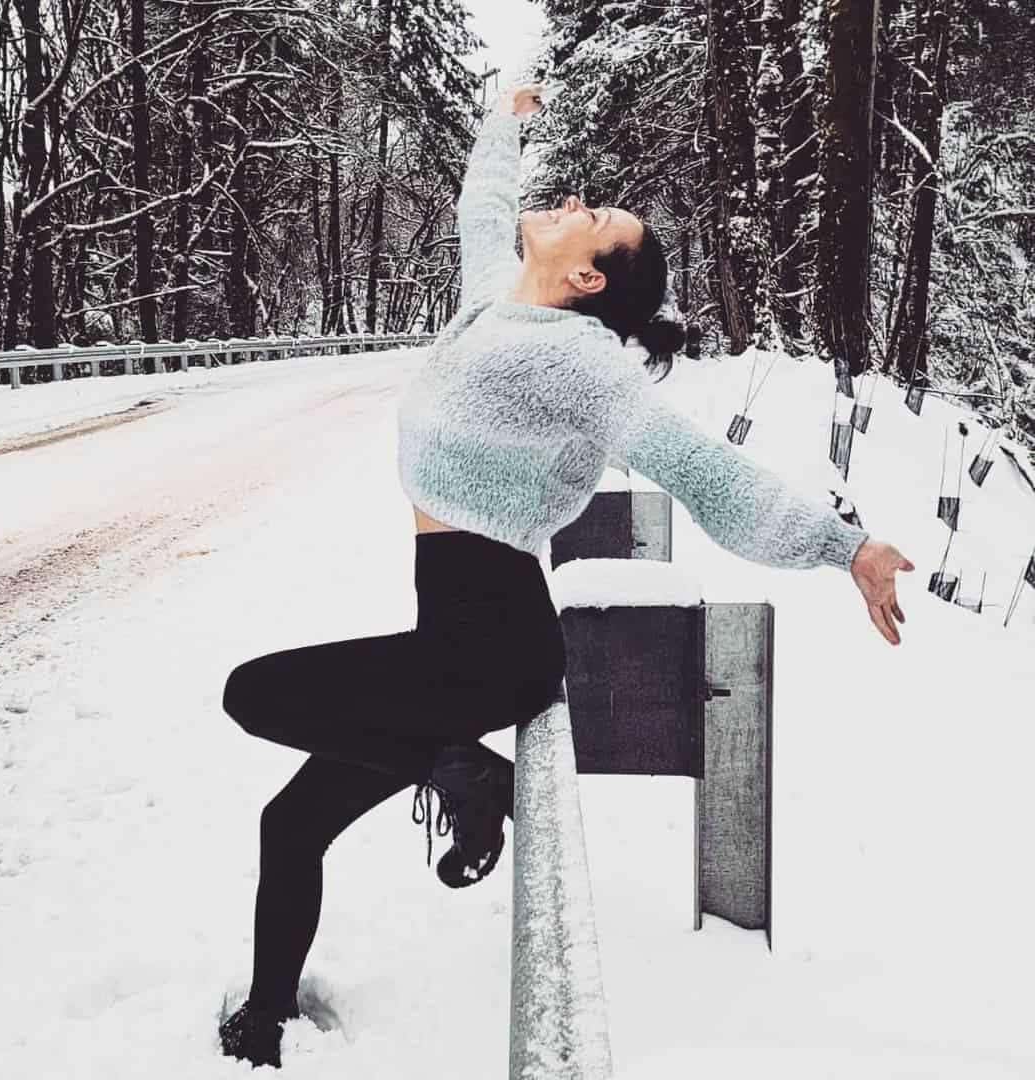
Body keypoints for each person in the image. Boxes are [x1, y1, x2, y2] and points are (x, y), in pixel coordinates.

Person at [218, 82, 914, 1069]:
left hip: (489, 642)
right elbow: (480, 212)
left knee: (253, 693)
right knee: (291, 822)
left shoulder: (586, 363)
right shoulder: (491, 306)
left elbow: (706, 474)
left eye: (597, 221)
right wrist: (505, 121)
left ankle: (462, 769)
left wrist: (846, 546)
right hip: (454, 635)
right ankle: (264, 1020)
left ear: (590, 279)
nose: (578, 206)